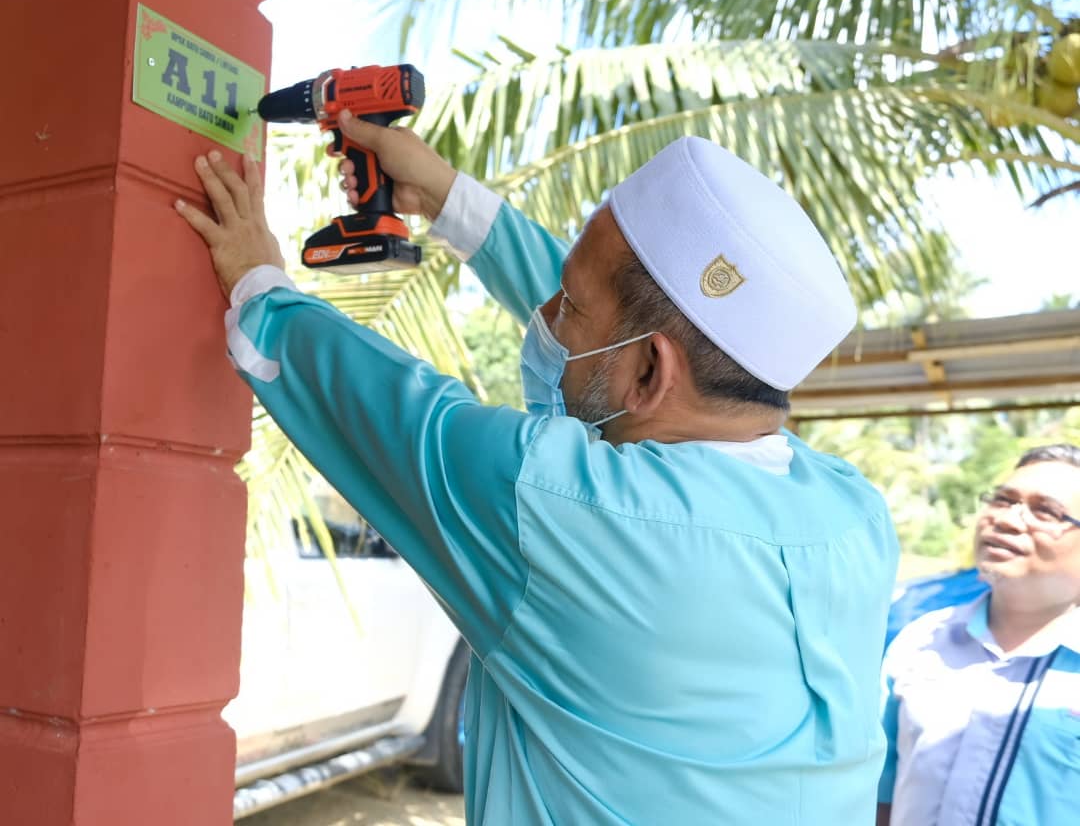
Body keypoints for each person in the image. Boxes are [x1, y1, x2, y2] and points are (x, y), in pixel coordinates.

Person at [176, 116, 899, 825]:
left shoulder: (562, 508)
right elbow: (622, 340)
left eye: (569, 305)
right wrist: (446, 199)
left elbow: (391, 411)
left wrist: (256, 283)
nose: (546, 315)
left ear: (651, 372)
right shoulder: (851, 513)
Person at [877, 444, 1080, 826]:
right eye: (1003, 500)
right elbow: (880, 793)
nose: (1007, 519)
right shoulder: (922, 640)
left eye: (1046, 511)